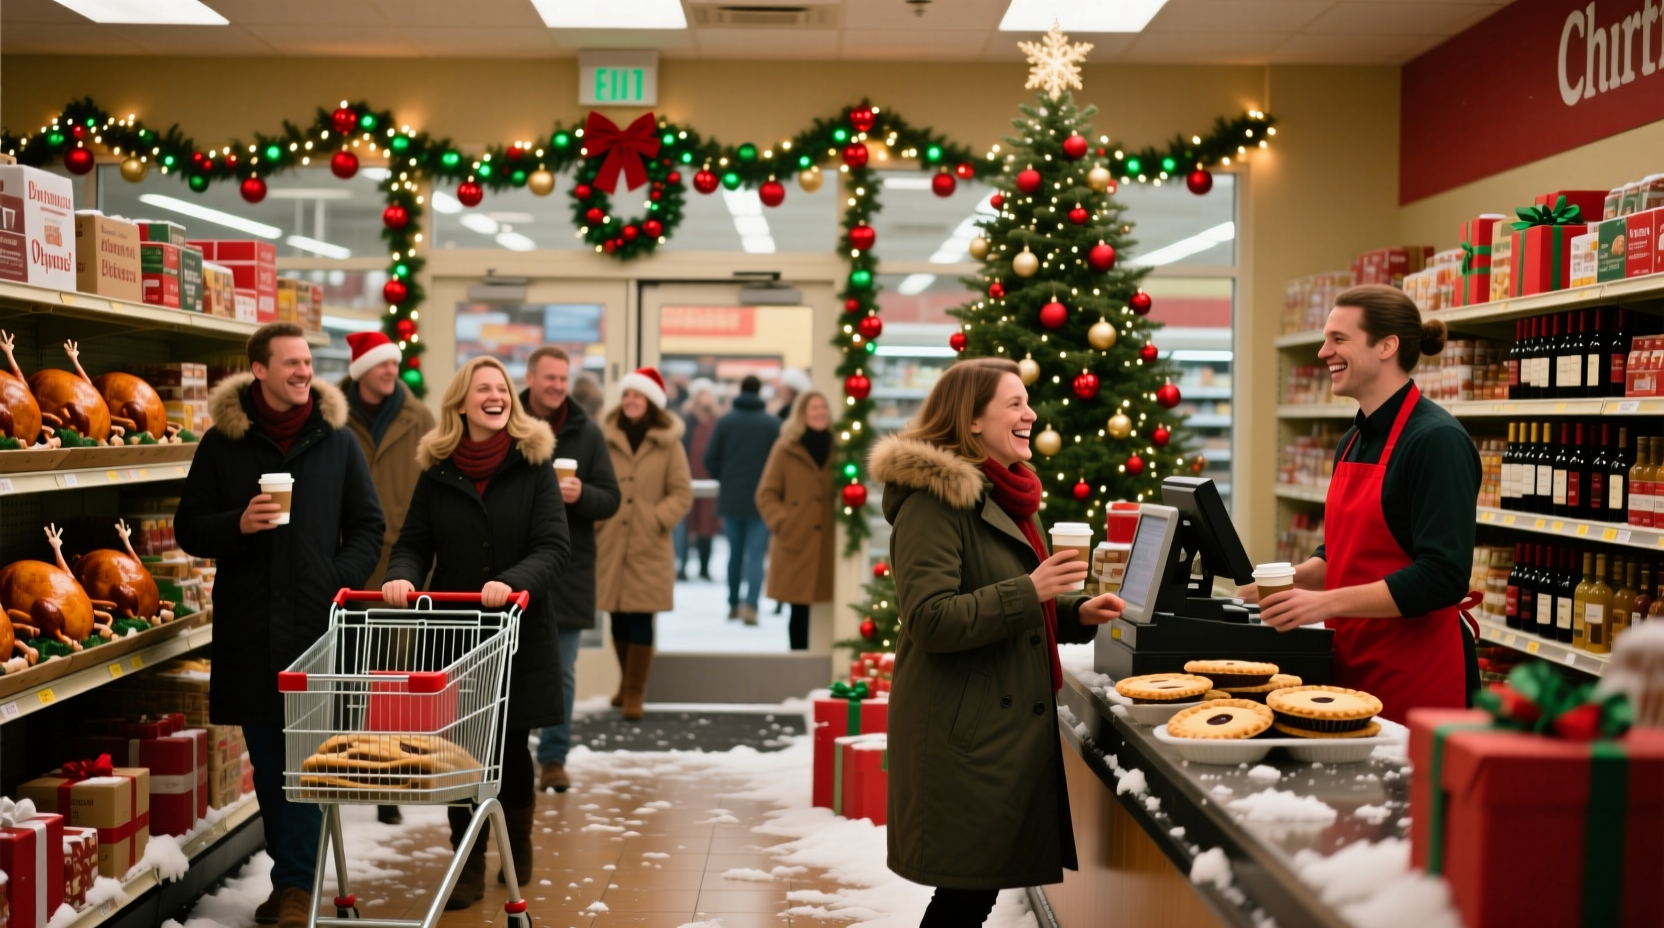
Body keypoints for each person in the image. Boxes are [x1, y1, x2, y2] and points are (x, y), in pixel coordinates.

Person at [868, 358, 1122, 928]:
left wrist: (1076, 611)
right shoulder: (934, 500)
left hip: (988, 727)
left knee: (972, 893)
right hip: (964, 729)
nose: (1030, 413)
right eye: (1014, 403)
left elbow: (998, 596)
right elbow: (929, 619)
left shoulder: (1005, 495)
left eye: (1026, 401)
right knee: (965, 895)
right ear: (973, 421)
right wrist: (1030, 590)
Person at [176, 323, 384, 928]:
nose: (302, 372)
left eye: (307, 363)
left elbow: (369, 526)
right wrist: (237, 525)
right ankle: (291, 880)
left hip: (318, 630)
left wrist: (331, 578)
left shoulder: (338, 442)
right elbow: (191, 527)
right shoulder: (223, 443)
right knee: (270, 765)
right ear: (259, 371)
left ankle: (294, 888)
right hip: (250, 627)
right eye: (290, 363)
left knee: (309, 762)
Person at [381, 356, 570, 910]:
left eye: (503, 388)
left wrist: (510, 583)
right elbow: (415, 542)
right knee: (460, 750)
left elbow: (555, 547)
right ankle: (467, 860)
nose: (497, 395)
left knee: (508, 747)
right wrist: (400, 577)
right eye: (484, 388)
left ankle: (518, 835)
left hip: (516, 631)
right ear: (461, 403)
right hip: (453, 634)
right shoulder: (437, 470)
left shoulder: (533, 465)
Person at [1240, 285, 1480, 722]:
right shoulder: (1352, 441)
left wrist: (1324, 604)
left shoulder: (1436, 441)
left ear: (1387, 346)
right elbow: (1341, 556)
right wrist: (1285, 583)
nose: (1323, 351)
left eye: (1338, 339)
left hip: (1415, 677)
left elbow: (1443, 576)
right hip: (1352, 665)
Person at [338, 329, 436, 827]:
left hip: (401, 565)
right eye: (381, 364)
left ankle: (387, 781)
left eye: (394, 364)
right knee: (345, 673)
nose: (391, 370)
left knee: (392, 678)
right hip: (345, 563)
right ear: (361, 371)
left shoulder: (419, 418)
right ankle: (342, 763)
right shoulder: (334, 415)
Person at [520, 345, 621, 794]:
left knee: (561, 668)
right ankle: (510, 753)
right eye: (549, 378)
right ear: (531, 378)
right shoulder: (508, 422)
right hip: (514, 566)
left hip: (569, 569)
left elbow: (610, 498)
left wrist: (582, 496)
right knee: (509, 666)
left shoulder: (587, 432)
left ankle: (554, 757)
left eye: (563, 379)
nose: (557, 386)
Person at [594, 367, 693, 720]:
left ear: (650, 402)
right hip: (611, 542)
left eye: (637, 395)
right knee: (617, 615)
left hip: (648, 544)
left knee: (641, 618)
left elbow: (681, 492)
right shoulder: (605, 438)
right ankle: (624, 683)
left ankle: (636, 691)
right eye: (626, 395)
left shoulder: (668, 443)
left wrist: (655, 518)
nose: (630, 401)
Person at [756, 392, 836, 651]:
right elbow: (766, 493)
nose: (820, 412)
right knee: (799, 611)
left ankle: (826, 666)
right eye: (813, 408)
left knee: (830, 610)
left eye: (823, 407)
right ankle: (799, 662)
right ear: (802, 413)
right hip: (796, 540)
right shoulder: (786, 446)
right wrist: (784, 522)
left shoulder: (840, 446)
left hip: (829, 542)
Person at [704, 375, 780, 623]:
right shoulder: (771, 424)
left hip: (732, 498)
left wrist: (725, 477)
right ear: (760, 393)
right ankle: (752, 606)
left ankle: (733, 603)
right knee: (756, 554)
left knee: (734, 554)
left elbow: (710, 457)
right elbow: (779, 464)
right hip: (762, 500)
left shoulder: (726, 422)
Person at [675, 379, 722, 581]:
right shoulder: (686, 417)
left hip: (710, 479)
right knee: (686, 525)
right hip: (688, 478)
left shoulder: (718, 419)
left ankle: (704, 567)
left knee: (707, 524)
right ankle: (683, 566)